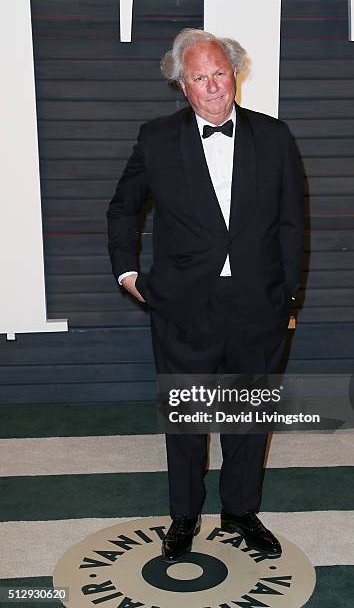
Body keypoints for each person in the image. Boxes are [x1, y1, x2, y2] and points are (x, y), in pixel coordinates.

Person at [107, 28, 304, 563]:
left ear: (233, 73)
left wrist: (287, 297)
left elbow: (293, 221)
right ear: (181, 83)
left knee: (248, 418)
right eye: (200, 76)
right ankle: (184, 516)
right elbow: (124, 207)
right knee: (187, 420)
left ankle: (241, 511)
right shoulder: (155, 139)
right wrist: (127, 272)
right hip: (182, 307)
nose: (213, 85)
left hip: (257, 305)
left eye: (220, 72)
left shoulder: (275, 136)